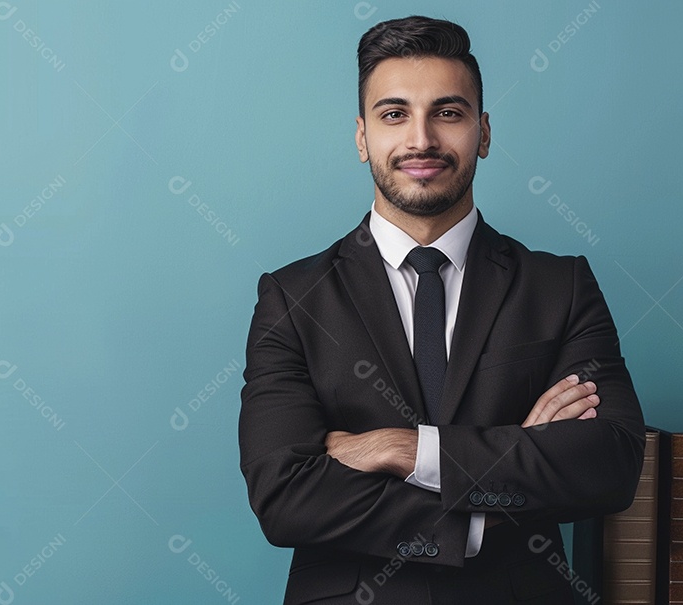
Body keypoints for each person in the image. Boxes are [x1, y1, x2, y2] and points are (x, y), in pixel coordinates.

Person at [238, 15, 645, 604]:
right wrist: (490, 496)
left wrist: (404, 448)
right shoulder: (292, 297)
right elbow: (284, 498)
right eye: (394, 114)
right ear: (362, 138)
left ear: (484, 132)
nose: (422, 140)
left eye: (448, 113)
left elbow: (609, 464)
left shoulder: (561, 286)